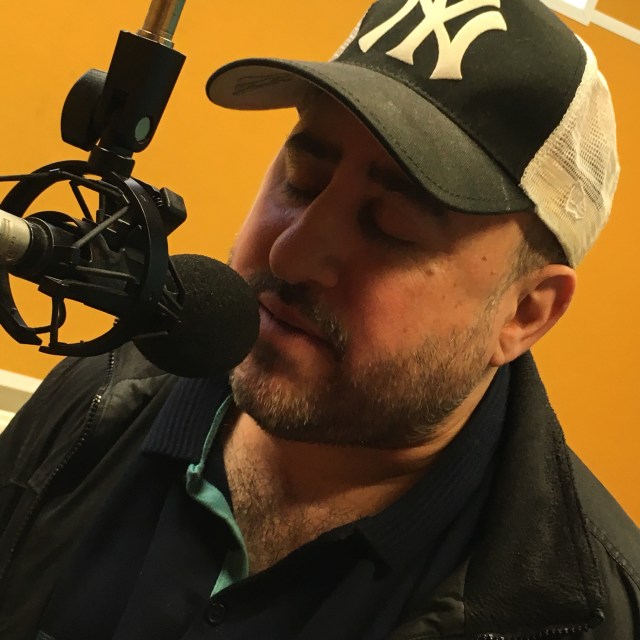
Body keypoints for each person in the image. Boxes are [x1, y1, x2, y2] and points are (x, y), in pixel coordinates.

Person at [0, 0, 638, 638]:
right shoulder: (103, 392)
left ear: (525, 312)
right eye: (301, 181)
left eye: (391, 227)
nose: (290, 255)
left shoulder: (588, 614)